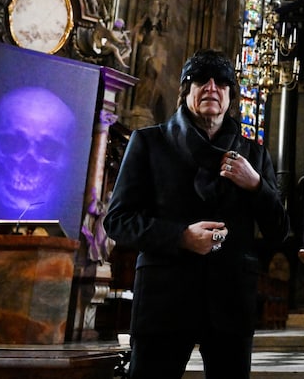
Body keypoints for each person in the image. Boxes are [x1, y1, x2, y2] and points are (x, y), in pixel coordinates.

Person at [104, 49, 289, 379]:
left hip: (230, 302)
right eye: (201, 80)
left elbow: (279, 230)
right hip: (164, 299)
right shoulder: (149, 143)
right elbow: (117, 220)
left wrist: (256, 185)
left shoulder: (254, 155)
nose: (211, 88)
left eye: (221, 82)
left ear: (231, 95)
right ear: (185, 91)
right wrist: (181, 237)